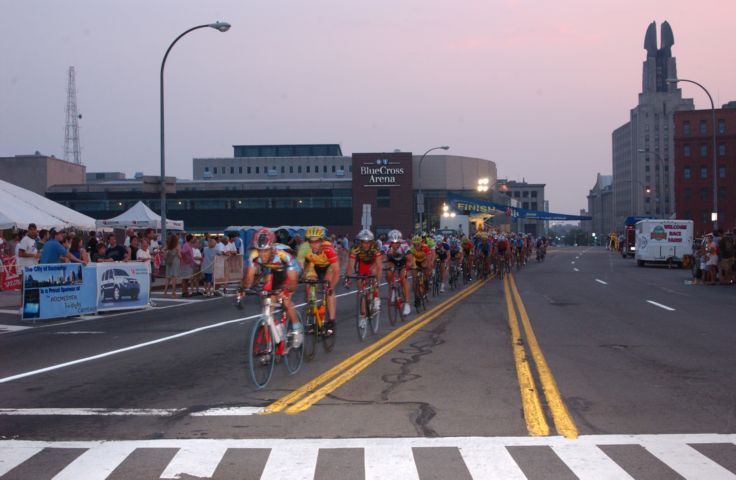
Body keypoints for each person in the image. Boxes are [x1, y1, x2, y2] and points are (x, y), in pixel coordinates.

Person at [242, 228, 303, 347]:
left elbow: (293, 283)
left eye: (265, 251)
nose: (262, 254)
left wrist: (284, 290)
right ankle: (269, 346)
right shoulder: (253, 255)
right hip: (273, 271)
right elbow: (249, 278)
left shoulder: (283, 255)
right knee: (266, 308)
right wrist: (243, 289)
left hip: (290, 271)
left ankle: (297, 329)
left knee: (286, 300)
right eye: (260, 250)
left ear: (271, 248)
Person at [297, 226, 340, 335]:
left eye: (317, 242)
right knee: (308, 284)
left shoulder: (328, 249)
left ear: (322, 241)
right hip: (314, 266)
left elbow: (336, 271)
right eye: (311, 242)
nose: (314, 244)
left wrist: (331, 287)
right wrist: (299, 277)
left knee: (328, 287)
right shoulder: (304, 248)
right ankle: (312, 311)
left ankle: (331, 321)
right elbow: (300, 266)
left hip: (328, 267)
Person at [344, 229, 382, 329]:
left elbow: (379, 265)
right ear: (360, 242)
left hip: (373, 263)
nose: (366, 245)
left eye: (368, 242)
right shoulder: (355, 248)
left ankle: (376, 298)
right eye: (364, 242)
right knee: (361, 289)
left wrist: (377, 281)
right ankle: (363, 317)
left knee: (373, 272)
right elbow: (351, 266)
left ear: (371, 242)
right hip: (362, 265)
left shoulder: (375, 247)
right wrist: (348, 279)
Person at [383, 230, 413, 316]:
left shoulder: (404, 245)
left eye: (397, 243)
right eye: (393, 243)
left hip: (403, 261)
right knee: (388, 272)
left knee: (403, 279)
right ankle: (392, 287)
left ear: (400, 241)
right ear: (390, 242)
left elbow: (410, 260)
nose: (395, 245)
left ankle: (407, 303)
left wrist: (407, 268)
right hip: (392, 261)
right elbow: (382, 258)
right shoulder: (385, 245)